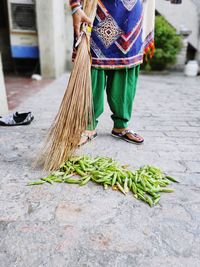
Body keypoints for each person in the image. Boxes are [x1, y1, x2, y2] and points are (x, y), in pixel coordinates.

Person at [70, 0, 182, 145]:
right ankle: (87, 126)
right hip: (96, 11)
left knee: (125, 69)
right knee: (92, 70)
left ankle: (121, 126)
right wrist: (75, 7)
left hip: (130, 16)